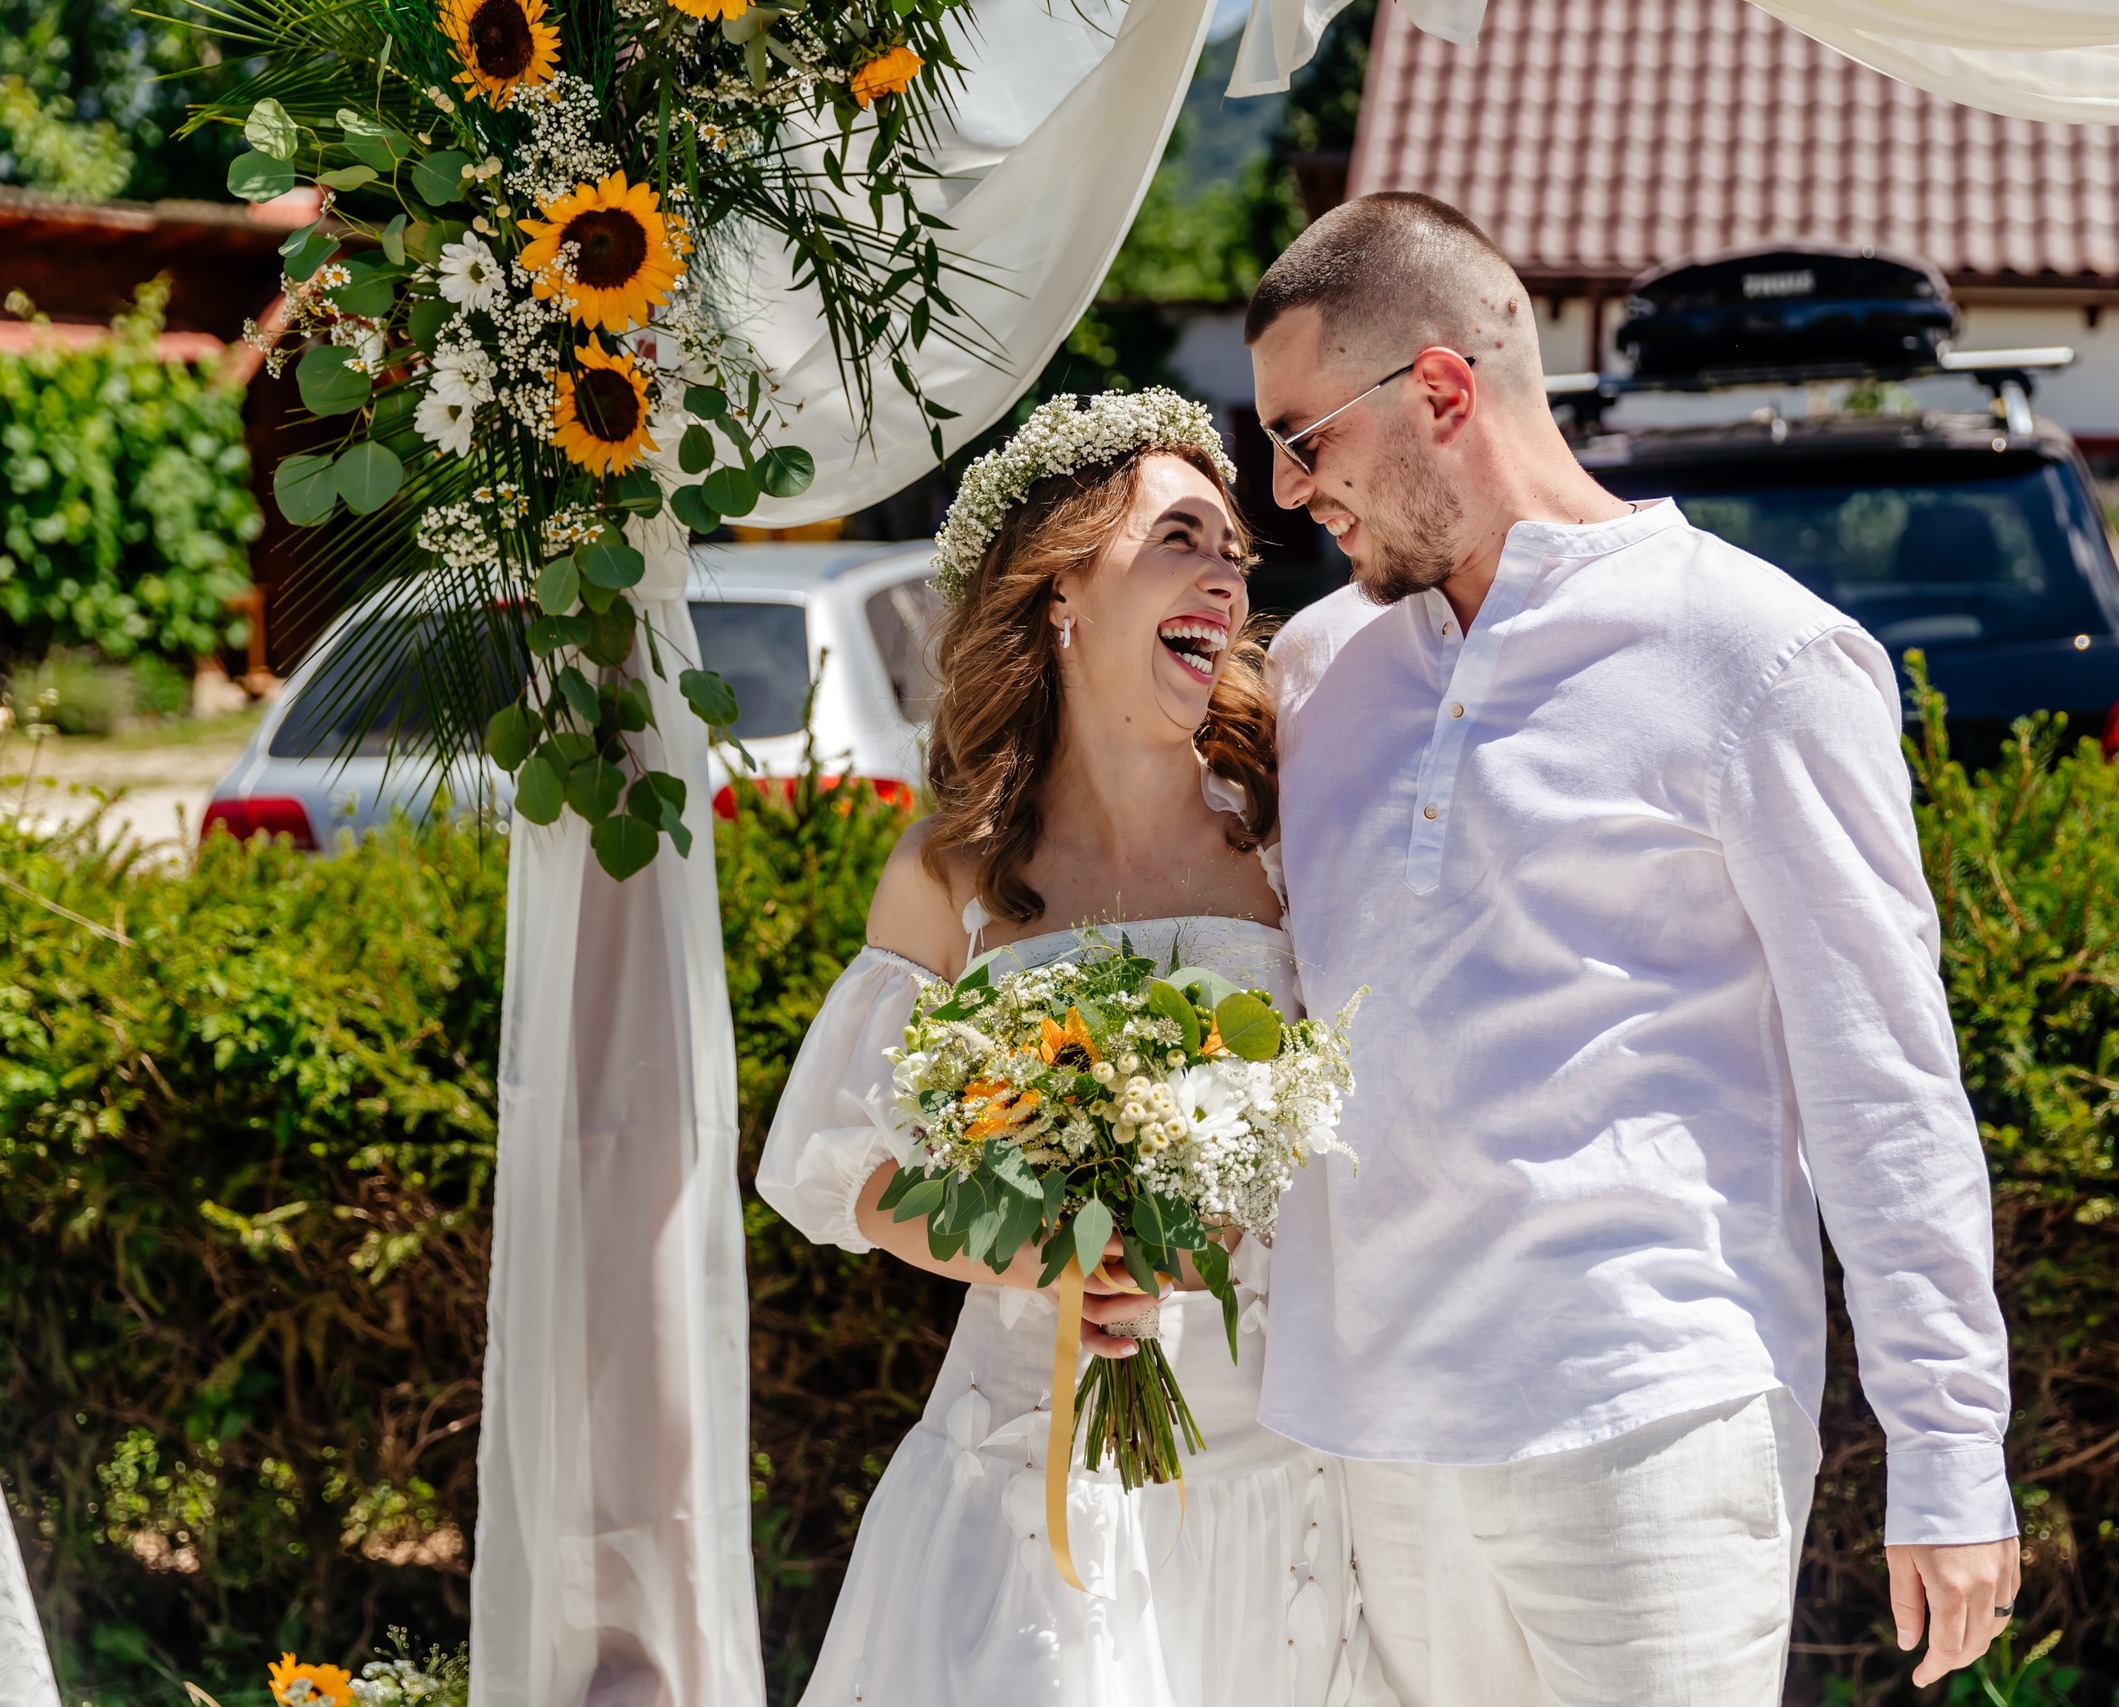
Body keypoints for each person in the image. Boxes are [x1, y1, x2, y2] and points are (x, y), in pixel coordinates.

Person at [1245, 191, 2021, 1706]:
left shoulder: (1756, 653)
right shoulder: (1319, 672)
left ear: (1442, 392)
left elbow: (1885, 1079)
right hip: (1371, 1427)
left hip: (1648, 1411)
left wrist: (1949, 1449)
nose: (1284, 492)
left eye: (1304, 437)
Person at [756, 391, 1392, 1707]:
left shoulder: (1288, 837)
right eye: (1179, 539)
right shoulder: (958, 873)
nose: (1225, 571)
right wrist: (1033, 1247)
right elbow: (843, 1169)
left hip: (1278, 1466)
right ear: (1060, 592)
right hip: (1041, 1469)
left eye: (1235, 550)